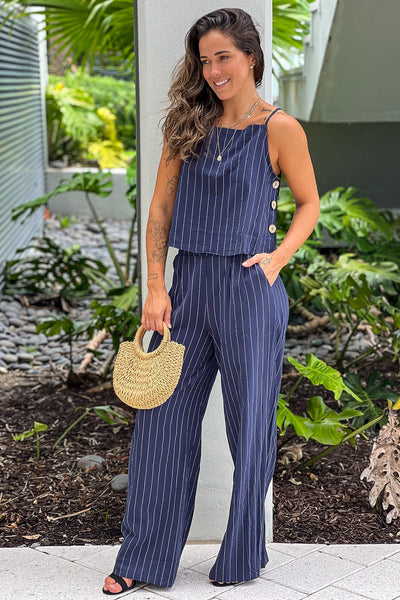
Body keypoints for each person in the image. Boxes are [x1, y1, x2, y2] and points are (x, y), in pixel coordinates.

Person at [103, 7, 320, 595]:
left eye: (224, 56)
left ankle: (241, 557)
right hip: (189, 288)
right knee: (161, 424)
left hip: (251, 291)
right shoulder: (186, 125)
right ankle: (141, 560)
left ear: (251, 56)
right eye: (204, 60)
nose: (214, 70)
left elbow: (308, 205)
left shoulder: (281, 129)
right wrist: (155, 285)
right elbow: (159, 214)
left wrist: (276, 260)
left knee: (250, 428)